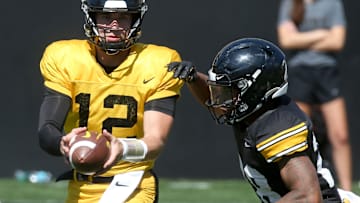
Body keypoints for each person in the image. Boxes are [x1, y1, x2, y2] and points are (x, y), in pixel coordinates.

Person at [167, 38, 360, 202]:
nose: (220, 100)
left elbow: (307, 196)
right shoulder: (254, 110)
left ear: (253, 91)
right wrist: (193, 78)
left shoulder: (276, 126)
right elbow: (218, 100)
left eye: (227, 92)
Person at [37, 0, 184, 202]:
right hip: (80, 186)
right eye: (106, 16)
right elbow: (47, 129)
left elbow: (155, 141)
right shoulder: (65, 57)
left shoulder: (158, 62)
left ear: (135, 19)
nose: (114, 25)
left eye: (122, 17)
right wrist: (62, 143)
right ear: (92, 18)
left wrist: (123, 148)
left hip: (132, 184)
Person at [277, 0, 352, 190]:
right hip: (301, 73)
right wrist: (322, 34)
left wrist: (301, 39)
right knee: (302, 136)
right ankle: (306, 187)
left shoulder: (332, 3)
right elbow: (286, 40)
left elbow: (338, 41)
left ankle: (347, 190)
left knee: (340, 136)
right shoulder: (291, 4)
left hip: (327, 73)